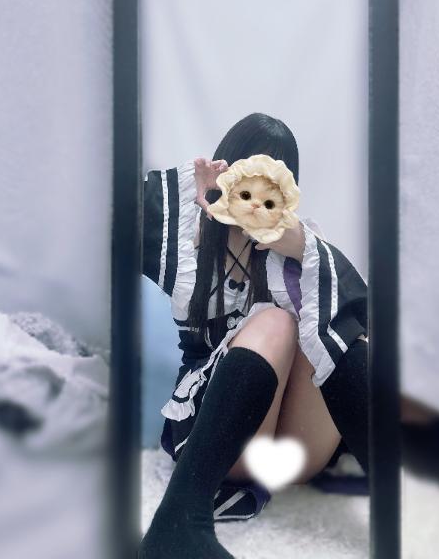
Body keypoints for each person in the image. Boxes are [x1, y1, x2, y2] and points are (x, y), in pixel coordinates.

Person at [139, 113, 369, 559]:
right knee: (277, 322)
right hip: (216, 441)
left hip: (294, 454)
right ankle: (178, 521)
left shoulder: (300, 245)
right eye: (248, 181)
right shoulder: (187, 237)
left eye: (272, 187)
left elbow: (361, 317)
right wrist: (191, 188)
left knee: (326, 324)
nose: (257, 201)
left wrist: (303, 249)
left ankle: (402, 502)